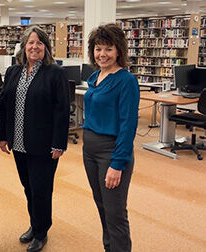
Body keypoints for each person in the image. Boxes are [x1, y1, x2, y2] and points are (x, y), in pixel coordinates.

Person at [0, 26, 69, 252]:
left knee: (41, 189)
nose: (34, 47)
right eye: (30, 42)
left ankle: (41, 232)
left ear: (46, 47)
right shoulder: (13, 71)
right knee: (28, 187)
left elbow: (62, 110)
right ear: (23, 46)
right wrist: (2, 136)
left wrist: (59, 143)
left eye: (39, 43)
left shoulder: (55, 73)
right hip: (18, 142)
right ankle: (34, 224)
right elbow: (5, 105)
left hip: (44, 145)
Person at [82, 23, 139, 252]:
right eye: (98, 49)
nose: (102, 54)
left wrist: (117, 163)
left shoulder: (126, 80)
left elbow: (128, 126)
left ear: (118, 51)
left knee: (115, 213)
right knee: (102, 206)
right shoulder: (95, 76)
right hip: (90, 150)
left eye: (108, 49)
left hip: (111, 152)